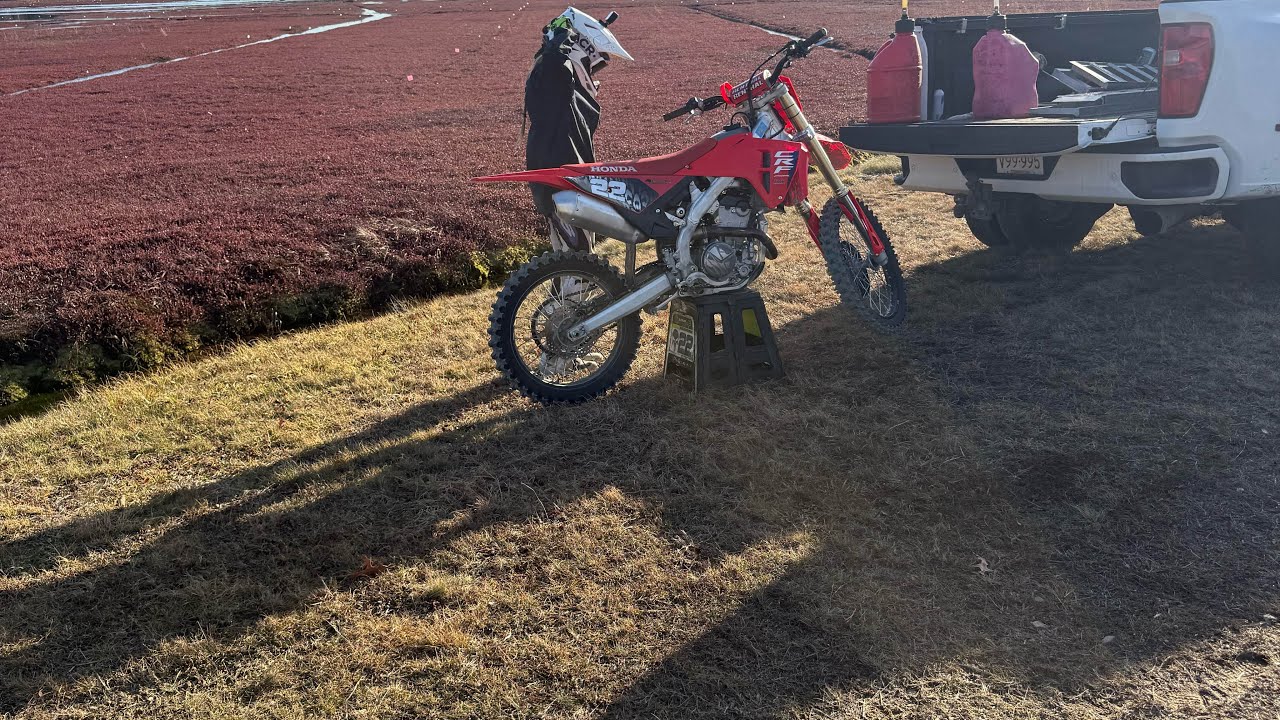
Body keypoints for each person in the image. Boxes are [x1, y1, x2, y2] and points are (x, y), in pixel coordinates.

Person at [524, 7, 633, 254]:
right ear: (582, 52)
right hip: (561, 183)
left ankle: (566, 291)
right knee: (578, 261)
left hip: (565, 180)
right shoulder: (553, 72)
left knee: (568, 258)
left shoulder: (555, 80)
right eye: (595, 65)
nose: (594, 75)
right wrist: (559, 48)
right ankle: (574, 292)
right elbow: (554, 70)